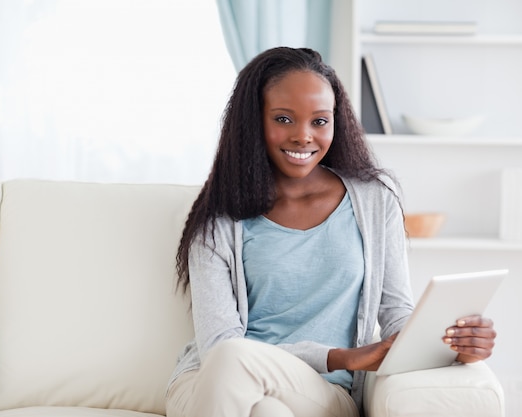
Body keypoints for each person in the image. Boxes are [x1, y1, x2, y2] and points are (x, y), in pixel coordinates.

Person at [165, 47, 496, 417]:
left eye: (319, 121)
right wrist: (342, 357)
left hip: (319, 390)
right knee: (257, 397)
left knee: (250, 379)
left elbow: (396, 313)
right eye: (284, 119)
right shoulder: (219, 217)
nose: (303, 136)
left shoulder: (374, 202)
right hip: (213, 381)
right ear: (253, 122)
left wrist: (451, 344)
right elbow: (218, 347)